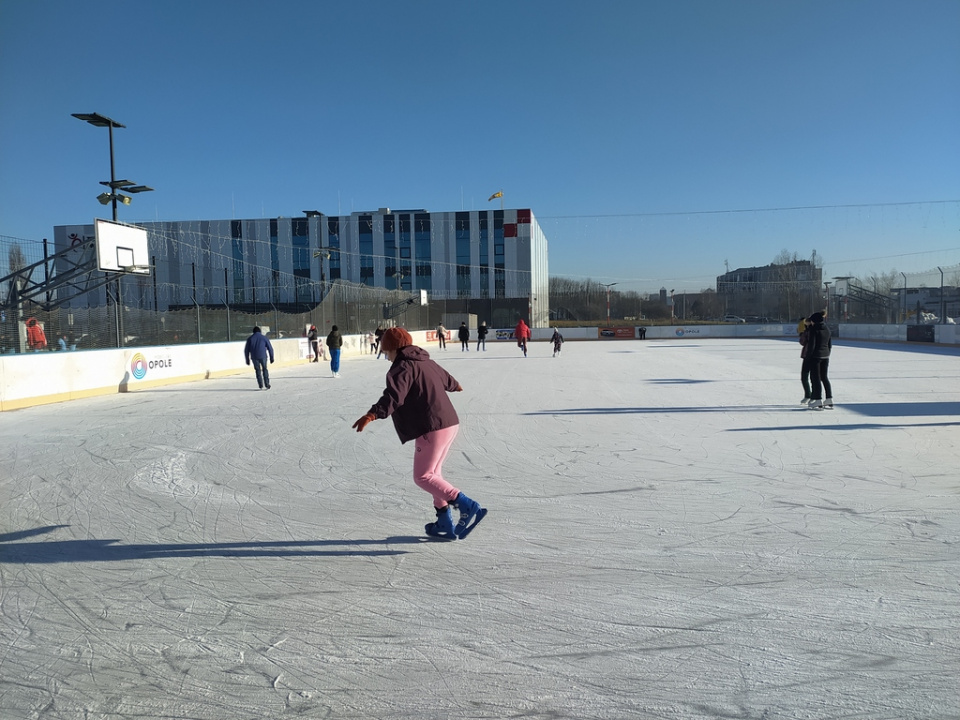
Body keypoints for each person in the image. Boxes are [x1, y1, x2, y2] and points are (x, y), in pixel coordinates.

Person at [351, 327, 487, 540]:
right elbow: (447, 379)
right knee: (434, 475)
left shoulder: (401, 367)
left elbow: (394, 396)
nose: (387, 357)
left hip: (431, 426)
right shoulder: (426, 361)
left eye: (387, 352)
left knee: (423, 477)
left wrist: (372, 414)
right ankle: (444, 522)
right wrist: (455, 386)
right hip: (449, 423)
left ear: (395, 349)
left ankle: (466, 505)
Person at [807, 311, 833, 410]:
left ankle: (818, 400)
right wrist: (827, 353)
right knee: (824, 377)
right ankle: (829, 398)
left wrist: (808, 357)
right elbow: (830, 344)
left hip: (816, 357)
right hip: (825, 356)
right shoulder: (827, 329)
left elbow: (811, 345)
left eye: (812, 321)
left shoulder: (814, 329)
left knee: (816, 378)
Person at [797, 317, 814, 404]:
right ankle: (811, 395)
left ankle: (809, 395)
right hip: (815, 356)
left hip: (808, 356)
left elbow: (802, 342)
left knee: (805, 376)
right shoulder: (815, 330)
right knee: (813, 377)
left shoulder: (808, 331)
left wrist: (803, 334)